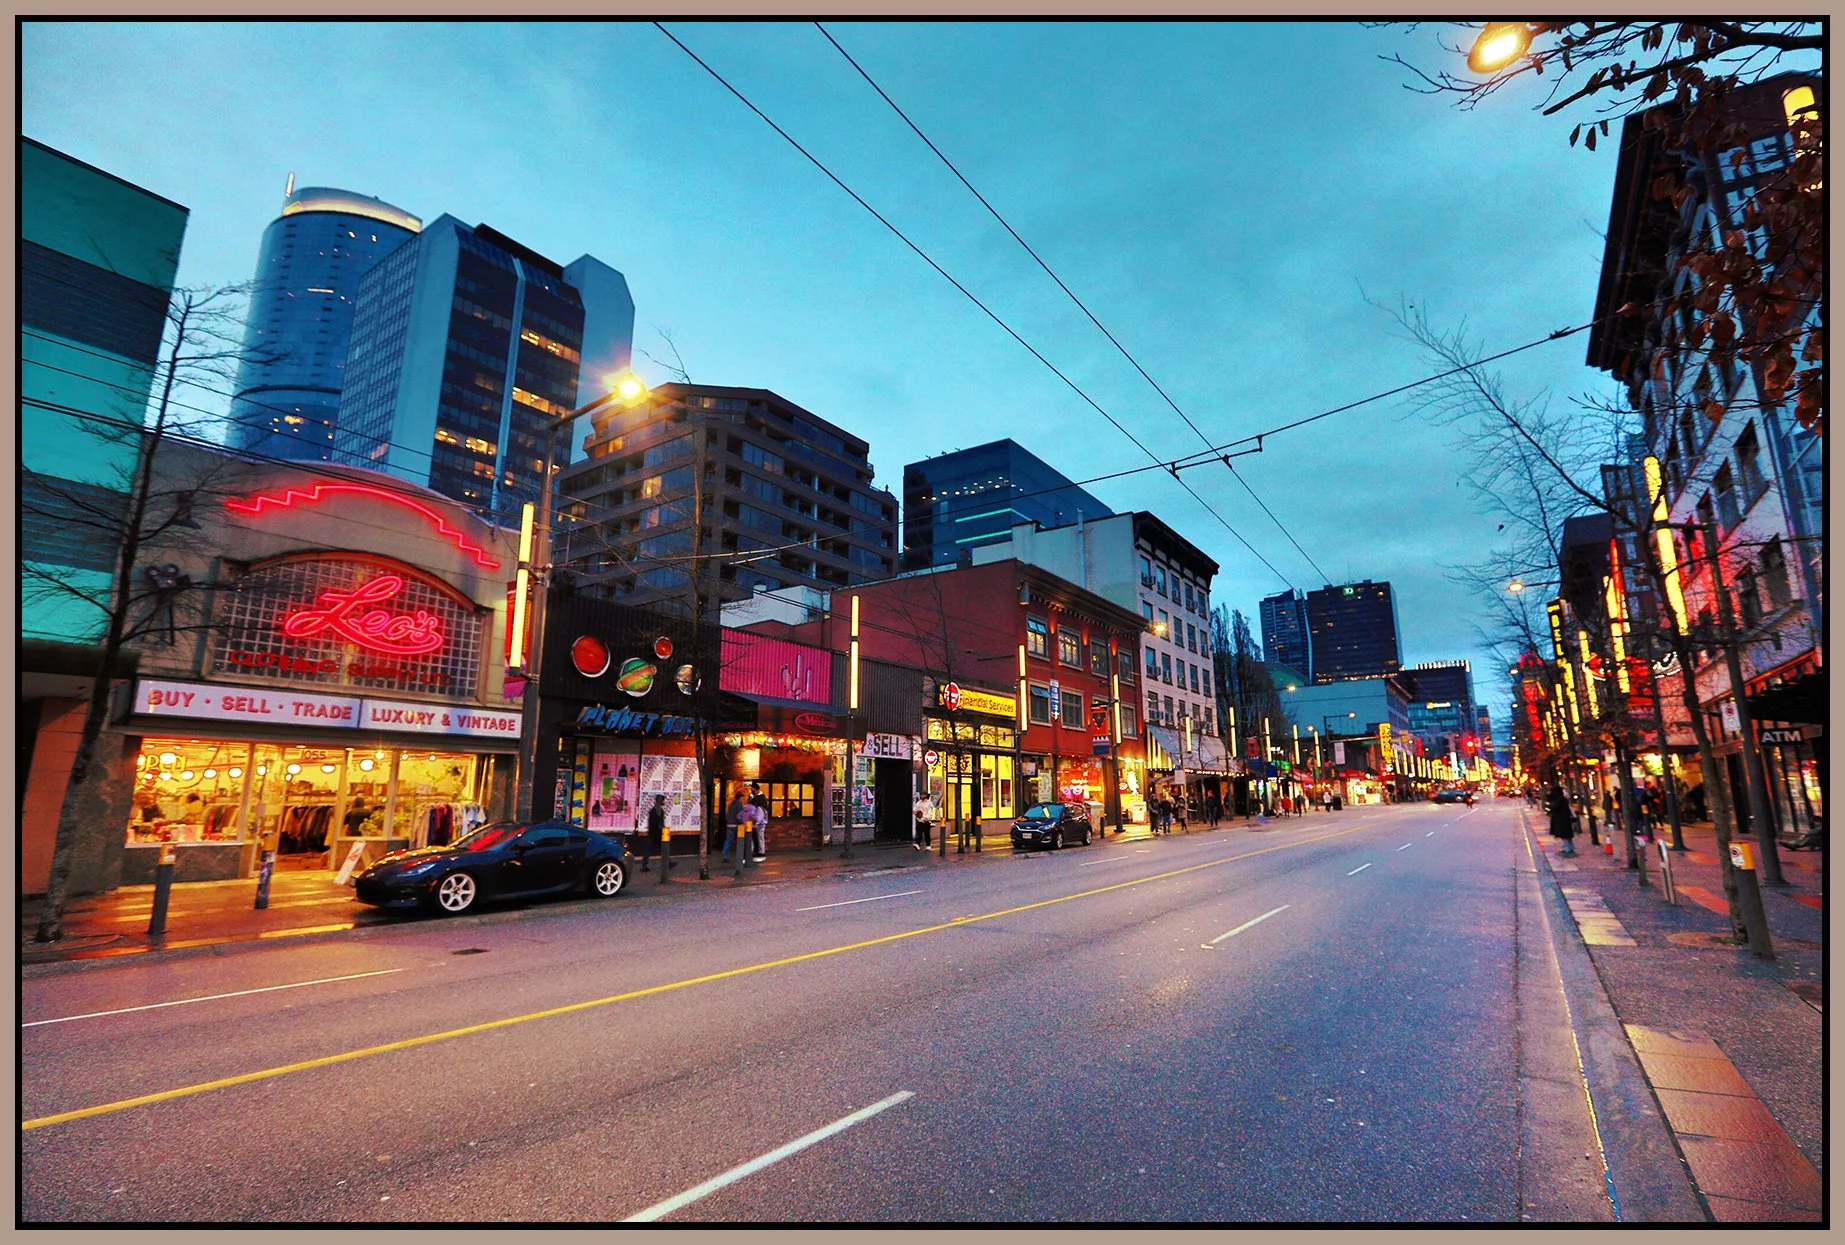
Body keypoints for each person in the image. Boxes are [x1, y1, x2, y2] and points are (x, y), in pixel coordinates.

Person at [1547, 780, 1578, 856]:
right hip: (1564, 819)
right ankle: (1570, 847)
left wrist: (1551, 807)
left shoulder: (1559, 799)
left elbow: (1555, 808)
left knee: (1564, 835)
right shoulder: (1562, 799)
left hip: (1561, 820)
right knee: (1567, 835)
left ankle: (1568, 848)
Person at [639, 793, 666, 872]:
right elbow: (659, 823)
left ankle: (644, 865)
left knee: (651, 849)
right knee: (661, 848)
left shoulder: (655, 810)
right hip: (656, 833)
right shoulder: (658, 810)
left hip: (653, 833)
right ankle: (667, 863)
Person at [721, 794, 749, 864]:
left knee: (728, 841)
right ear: (740, 797)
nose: (743, 800)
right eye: (743, 798)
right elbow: (740, 816)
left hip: (729, 824)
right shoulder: (739, 804)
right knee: (740, 842)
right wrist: (743, 822)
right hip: (736, 825)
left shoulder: (731, 804)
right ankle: (741, 857)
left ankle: (725, 856)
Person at [748, 783, 769, 862]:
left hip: (759, 824)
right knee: (757, 838)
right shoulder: (757, 799)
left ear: (756, 789)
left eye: (752, 789)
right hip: (758, 823)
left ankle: (761, 852)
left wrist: (755, 823)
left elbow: (759, 815)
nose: (752, 791)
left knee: (759, 838)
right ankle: (758, 851)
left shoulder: (760, 801)